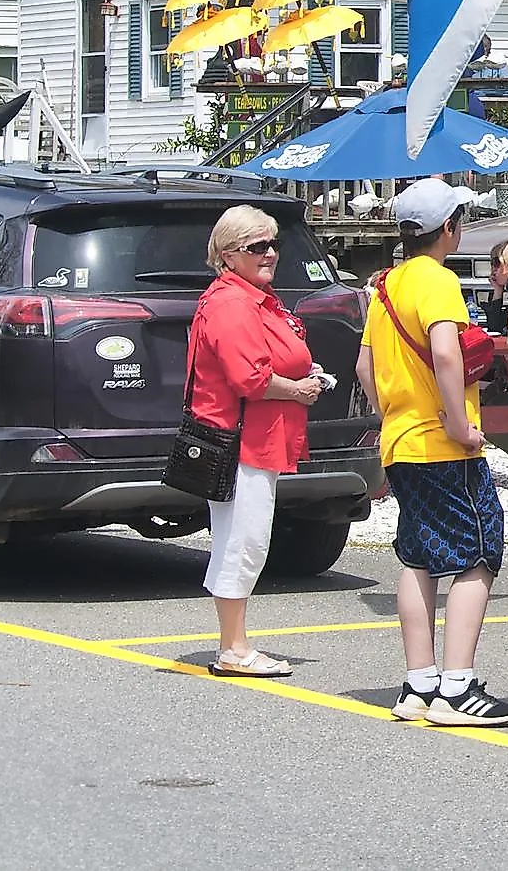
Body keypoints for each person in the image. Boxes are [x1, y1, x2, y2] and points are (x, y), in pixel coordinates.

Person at [352, 177, 508, 728]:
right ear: (449, 228)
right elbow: (448, 356)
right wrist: (460, 423)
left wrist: (392, 419)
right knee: (478, 551)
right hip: (443, 441)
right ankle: (457, 686)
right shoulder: (439, 281)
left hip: (401, 440)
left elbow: (364, 369)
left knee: (418, 555)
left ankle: (418, 682)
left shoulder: (383, 286)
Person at [185, 204, 333, 677]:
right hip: (240, 440)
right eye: (257, 247)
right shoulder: (231, 303)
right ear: (228, 255)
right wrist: (299, 389)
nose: (270, 253)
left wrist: (302, 375)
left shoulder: (253, 297)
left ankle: (235, 643)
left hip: (258, 437)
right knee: (242, 541)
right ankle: (233, 649)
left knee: (245, 538)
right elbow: (249, 378)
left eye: (273, 244)